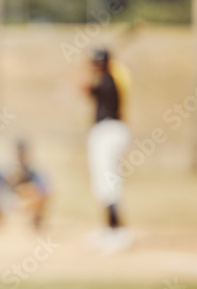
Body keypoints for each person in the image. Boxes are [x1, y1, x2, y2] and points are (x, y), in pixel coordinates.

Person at [84, 48, 132, 254]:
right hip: (113, 131)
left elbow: (83, 87)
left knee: (107, 182)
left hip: (107, 132)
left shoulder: (107, 81)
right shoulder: (113, 78)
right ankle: (110, 228)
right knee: (106, 182)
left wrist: (86, 68)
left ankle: (116, 232)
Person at [0, 140, 50, 231]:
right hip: (5, 199)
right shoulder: (2, 168)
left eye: (22, 152)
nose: (20, 155)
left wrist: (25, 189)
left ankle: (35, 221)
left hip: (25, 201)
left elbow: (44, 189)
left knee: (41, 194)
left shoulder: (33, 170)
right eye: (18, 152)